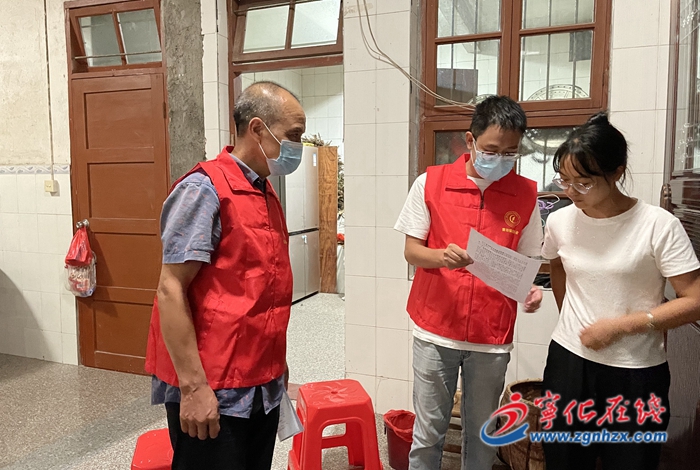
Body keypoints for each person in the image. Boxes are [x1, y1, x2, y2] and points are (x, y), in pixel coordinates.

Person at [144, 81, 305, 470]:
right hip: (214, 385)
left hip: (260, 380)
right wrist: (194, 388)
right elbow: (170, 289)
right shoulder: (204, 190)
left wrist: (277, 364)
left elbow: (259, 289)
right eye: (294, 135)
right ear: (257, 129)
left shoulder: (264, 191)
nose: (299, 146)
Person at [541, 112, 700, 470]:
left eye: (583, 183)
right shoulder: (560, 220)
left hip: (635, 372)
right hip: (568, 364)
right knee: (563, 460)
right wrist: (570, 315)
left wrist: (619, 327)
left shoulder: (657, 225)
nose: (571, 192)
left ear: (616, 173)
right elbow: (557, 265)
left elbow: (694, 300)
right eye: (565, 180)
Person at [394, 95, 544, 470]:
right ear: (470, 140)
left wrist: (530, 289)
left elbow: (528, 261)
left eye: (510, 153)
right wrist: (441, 256)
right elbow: (412, 252)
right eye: (492, 150)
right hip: (435, 329)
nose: (501, 159)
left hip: (490, 335)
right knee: (428, 435)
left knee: (481, 437)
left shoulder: (525, 193)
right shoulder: (431, 183)